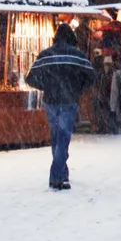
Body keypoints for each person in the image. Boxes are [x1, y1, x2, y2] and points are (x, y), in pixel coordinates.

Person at [26, 24, 96, 190]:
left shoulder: (45, 55)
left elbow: (31, 78)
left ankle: (62, 175)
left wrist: (46, 86)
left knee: (57, 138)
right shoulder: (78, 56)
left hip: (50, 100)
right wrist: (77, 88)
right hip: (69, 100)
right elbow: (91, 77)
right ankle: (57, 176)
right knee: (63, 138)